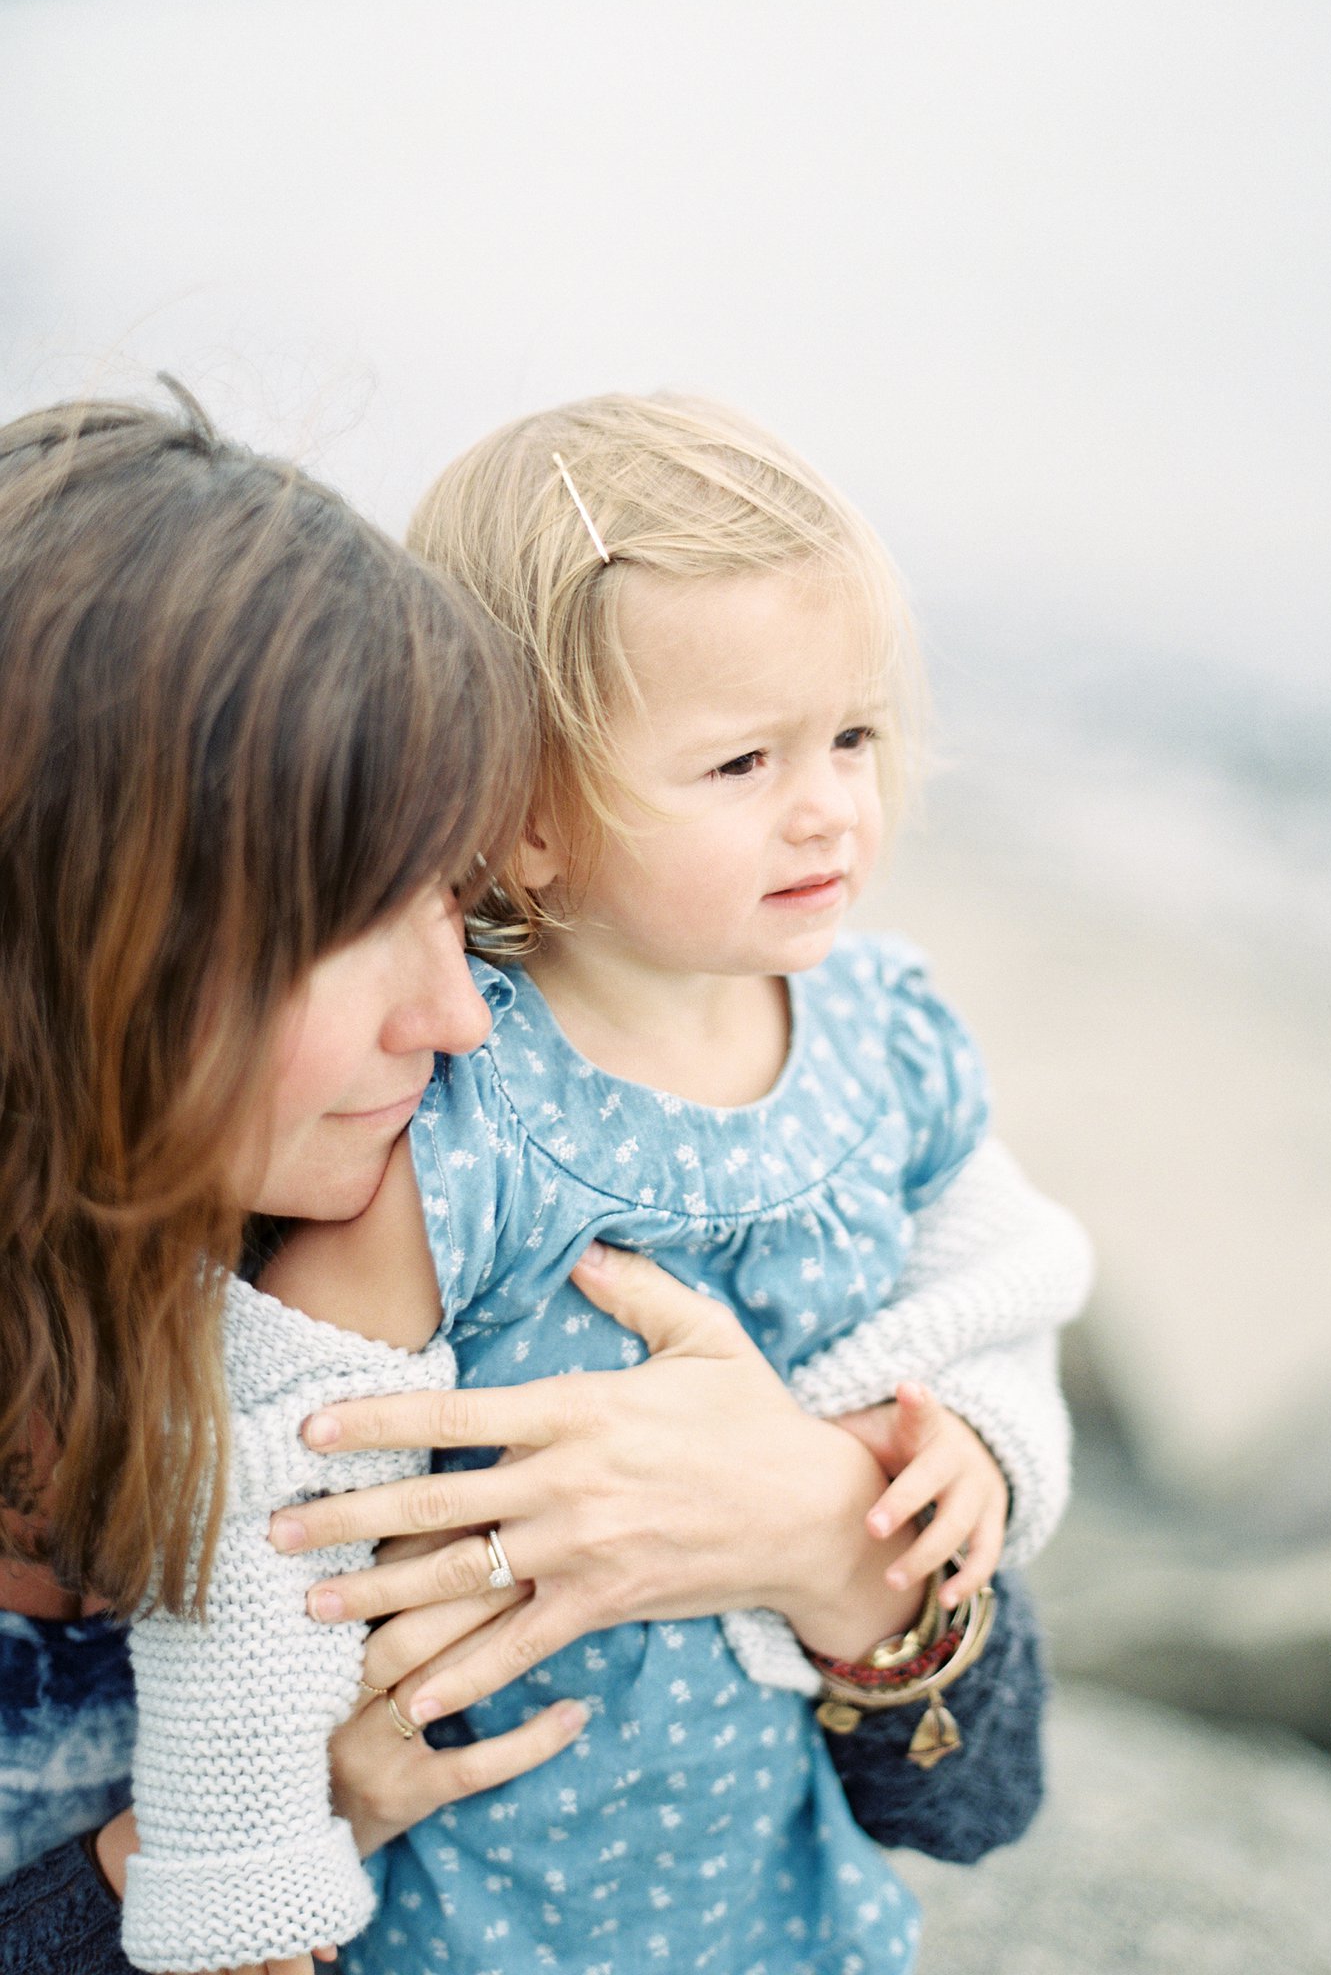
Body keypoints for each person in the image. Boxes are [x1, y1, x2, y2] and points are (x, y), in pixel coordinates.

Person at [0, 390, 1073, 1975]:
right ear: (101, 946)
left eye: (453, 901)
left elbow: (977, 1798)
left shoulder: (816, 1059)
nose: (456, 1019)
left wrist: (827, 1530)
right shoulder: (414, 1204)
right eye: (357, 922)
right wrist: (252, 1837)